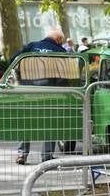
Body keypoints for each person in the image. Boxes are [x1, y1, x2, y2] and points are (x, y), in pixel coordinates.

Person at [14, 28, 70, 164]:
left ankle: (22, 154)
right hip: (50, 92)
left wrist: (21, 79)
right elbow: (65, 74)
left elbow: (13, 60)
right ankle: (46, 155)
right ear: (58, 39)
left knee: (26, 122)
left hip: (28, 91)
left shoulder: (31, 46)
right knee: (50, 123)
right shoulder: (60, 52)